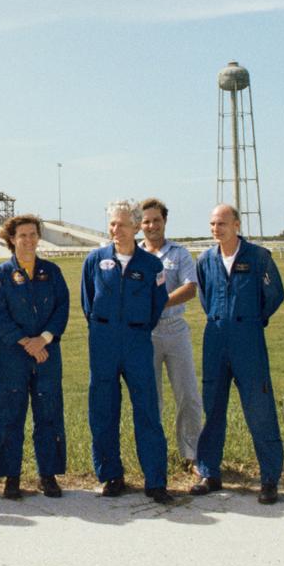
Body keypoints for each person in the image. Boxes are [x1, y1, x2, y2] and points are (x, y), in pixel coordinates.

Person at [191, 204, 284, 504]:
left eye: (222, 223)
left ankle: (269, 479)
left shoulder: (258, 257)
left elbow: (275, 295)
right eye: (212, 224)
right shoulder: (205, 260)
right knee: (212, 408)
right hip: (215, 339)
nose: (216, 229)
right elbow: (205, 297)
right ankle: (209, 472)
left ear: (236, 225)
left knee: (259, 409)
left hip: (248, 341)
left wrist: (252, 320)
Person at [80, 199, 173, 503]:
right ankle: (111, 475)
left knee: (147, 410)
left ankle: (155, 480)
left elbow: (157, 303)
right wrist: (104, 327)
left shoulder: (151, 265)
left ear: (135, 227)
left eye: (122, 224)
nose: (115, 230)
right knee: (103, 410)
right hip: (103, 342)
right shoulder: (95, 260)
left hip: (137, 342)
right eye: (112, 224)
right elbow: (87, 300)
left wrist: (136, 326)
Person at [0, 213, 70, 499]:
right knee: (11, 412)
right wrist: (26, 342)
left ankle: (48, 475)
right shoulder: (1, 274)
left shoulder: (52, 271)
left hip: (47, 351)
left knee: (48, 411)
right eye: (22, 235)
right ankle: (11, 476)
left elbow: (62, 308)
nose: (28, 240)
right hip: (13, 353)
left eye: (33, 234)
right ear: (12, 239)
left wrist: (43, 339)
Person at [138, 198, 204, 471]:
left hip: (175, 329)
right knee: (151, 398)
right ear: (139, 225)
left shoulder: (179, 254)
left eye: (157, 220)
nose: (152, 225)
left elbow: (190, 288)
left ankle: (192, 455)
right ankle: (154, 457)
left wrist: (159, 303)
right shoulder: (134, 255)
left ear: (165, 221)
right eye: (146, 221)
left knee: (188, 395)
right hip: (145, 334)